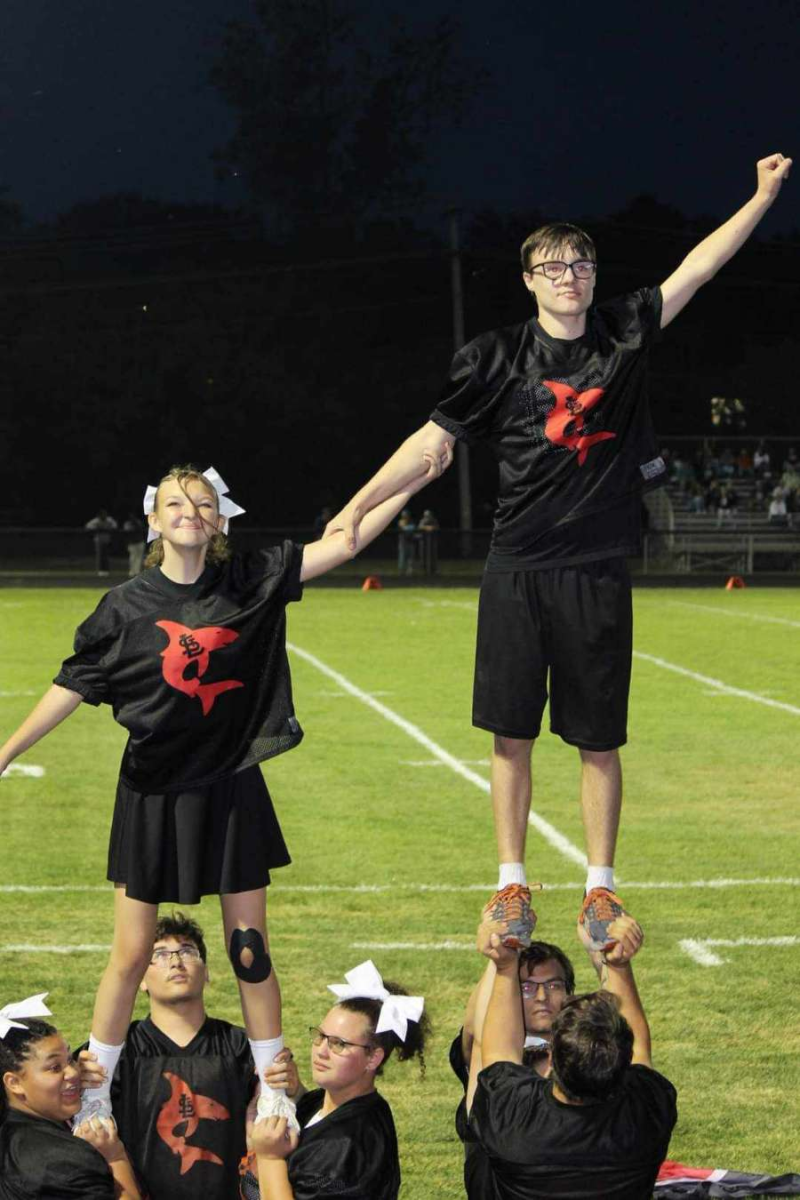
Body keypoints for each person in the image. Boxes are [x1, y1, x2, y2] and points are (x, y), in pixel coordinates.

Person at [323, 153, 792, 945]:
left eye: (580, 263)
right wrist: (356, 506)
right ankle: (510, 884)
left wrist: (762, 197)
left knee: (598, 739)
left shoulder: (625, 330)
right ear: (529, 280)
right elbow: (430, 447)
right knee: (511, 734)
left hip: (597, 566)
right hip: (517, 566)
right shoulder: (496, 357)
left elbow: (699, 268)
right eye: (552, 265)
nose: (569, 275)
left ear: (593, 275)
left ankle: (600, 889)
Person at [0, 461, 432, 1134]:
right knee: (131, 953)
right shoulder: (124, 606)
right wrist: (6, 749)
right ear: (153, 519)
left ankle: (274, 1089)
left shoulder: (247, 583)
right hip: (150, 789)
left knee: (250, 948)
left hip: (229, 782)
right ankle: (98, 1091)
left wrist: (409, 483)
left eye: (201, 503)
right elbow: (72, 684)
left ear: (220, 521)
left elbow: (343, 544)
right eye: (174, 502)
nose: (188, 511)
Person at [467, 905, 677, 1198]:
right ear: (623, 1062)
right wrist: (617, 964)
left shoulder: (515, 1120)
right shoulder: (646, 1113)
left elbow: (496, 1049)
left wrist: (505, 966)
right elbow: (641, 1047)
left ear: (552, 1058)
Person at [78, 913, 261, 1200]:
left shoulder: (241, 1046)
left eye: (187, 951)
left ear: (207, 970)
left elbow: (281, 1112)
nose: (175, 962)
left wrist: (290, 1085)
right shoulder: (117, 1050)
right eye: (159, 955)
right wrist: (76, 1077)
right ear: (138, 978)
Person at [240, 960, 428, 1200]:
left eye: (339, 1044)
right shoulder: (335, 1101)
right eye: (321, 1036)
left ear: (373, 1058)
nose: (321, 1050)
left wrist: (269, 1158)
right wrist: (296, 1095)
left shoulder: (346, 1146)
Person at [451, 940, 576, 1199]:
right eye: (527, 987)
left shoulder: (582, 1062)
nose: (542, 997)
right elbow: (479, 1029)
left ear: (570, 994)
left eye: (553, 985)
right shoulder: (486, 1059)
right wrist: (502, 953)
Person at [0, 998, 140, 1199]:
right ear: (14, 1083)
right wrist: (115, 1158)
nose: (74, 1072)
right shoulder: (66, 1161)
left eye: (70, 1059)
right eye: (55, 1067)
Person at [85, 509, 118, 576]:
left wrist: (110, 528)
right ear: (99, 515)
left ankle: (106, 571)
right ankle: (99, 571)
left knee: (106, 557)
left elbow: (115, 526)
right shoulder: (96, 520)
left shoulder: (109, 520)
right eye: (102, 514)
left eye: (105, 514)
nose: (104, 515)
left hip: (107, 541)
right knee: (99, 557)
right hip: (98, 541)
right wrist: (96, 528)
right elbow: (88, 526)